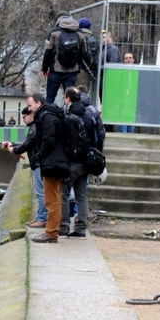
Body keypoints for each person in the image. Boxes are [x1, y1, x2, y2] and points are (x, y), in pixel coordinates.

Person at [7, 93, 69, 243]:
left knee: (51, 199)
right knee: (55, 198)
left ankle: (51, 233)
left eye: (30, 105)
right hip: (58, 161)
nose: (29, 109)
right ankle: (52, 230)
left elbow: (47, 140)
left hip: (52, 163)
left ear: (38, 104)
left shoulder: (46, 117)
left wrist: (39, 156)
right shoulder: (52, 115)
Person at [3, 104, 47, 229]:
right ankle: (40, 217)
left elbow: (28, 143)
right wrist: (13, 145)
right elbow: (28, 142)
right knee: (41, 192)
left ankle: (42, 218)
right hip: (39, 163)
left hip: (38, 163)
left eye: (24, 117)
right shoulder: (36, 126)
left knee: (41, 193)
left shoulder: (35, 127)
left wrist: (15, 150)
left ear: (31, 115)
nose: (23, 120)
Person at [59, 87, 94, 238]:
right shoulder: (89, 116)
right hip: (85, 162)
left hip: (71, 162)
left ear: (68, 99)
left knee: (64, 194)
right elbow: (96, 137)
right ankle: (80, 229)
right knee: (81, 196)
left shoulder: (68, 117)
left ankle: (63, 226)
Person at [41, 13, 88, 105]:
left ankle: (48, 116)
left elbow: (47, 52)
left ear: (59, 19)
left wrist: (44, 68)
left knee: (50, 97)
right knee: (70, 98)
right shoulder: (80, 32)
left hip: (55, 70)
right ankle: (68, 116)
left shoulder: (54, 32)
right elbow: (84, 51)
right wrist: (77, 65)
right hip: (72, 71)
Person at [77, 85, 105, 152]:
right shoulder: (93, 110)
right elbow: (101, 132)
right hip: (90, 146)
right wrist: (99, 150)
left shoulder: (68, 108)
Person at [76, 18, 96, 90]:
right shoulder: (93, 40)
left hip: (73, 69)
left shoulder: (75, 37)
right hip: (86, 71)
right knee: (82, 94)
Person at [119, 52, 136, 133]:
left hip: (133, 98)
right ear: (123, 60)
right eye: (126, 58)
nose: (128, 59)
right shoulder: (120, 71)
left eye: (130, 58)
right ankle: (123, 135)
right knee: (122, 117)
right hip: (122, 98)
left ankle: (130, 135)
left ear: (133, 60)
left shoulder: (137, 71)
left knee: (131, 118)